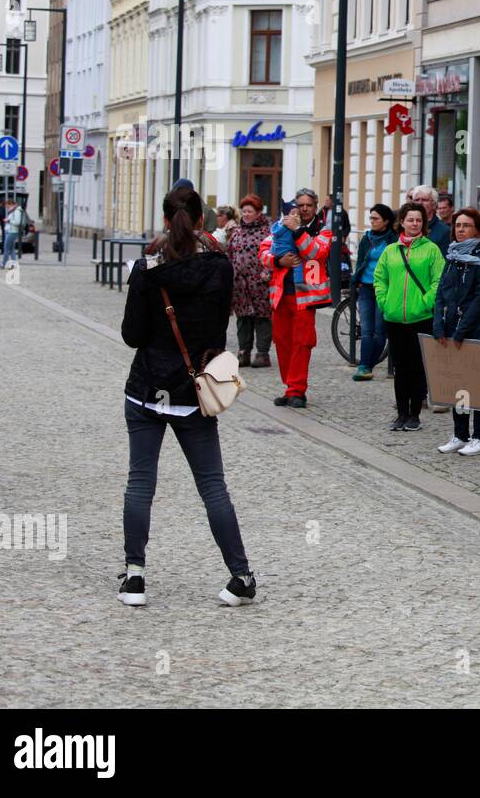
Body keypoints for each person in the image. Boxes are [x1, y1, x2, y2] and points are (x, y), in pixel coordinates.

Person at [118, 185, 255, 608]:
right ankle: (240, 576)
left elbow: (131, 335)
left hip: (146, 389)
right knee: (213, 486)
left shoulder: (146, 268)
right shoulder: (218, 267)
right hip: (194, 389)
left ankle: (135, 577)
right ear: (201, 221)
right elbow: (218, 331)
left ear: (164, 221)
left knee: (140, 482)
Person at [258, 187, 333, 408]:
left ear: (316, 207)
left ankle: (297, 390)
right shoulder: (283, 225)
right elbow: (263, 250)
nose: (305, 208)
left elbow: (315, 252)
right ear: (295, 206)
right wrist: (278, 261)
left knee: (302, 343)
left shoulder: (322, 230)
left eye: (309, 205)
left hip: (306, 297)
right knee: (281, 341)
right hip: (281, 294)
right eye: (301, 205)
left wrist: (298, 230)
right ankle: (289, 385)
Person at [374, 202, 444, 432]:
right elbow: (379, 279)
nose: (414, 224)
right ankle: (401, 413)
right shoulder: (390, 251)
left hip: (420, 317)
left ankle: (414, 414)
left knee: (417, 367)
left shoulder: (431, 249)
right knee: (400, 368)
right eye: (410, 219)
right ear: (401, 222)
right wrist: (385, 303)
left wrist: (425, 303)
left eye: (419, 220)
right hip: (394, 318)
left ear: (423, 224)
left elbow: (438, 281)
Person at [433, 208, 480, 456]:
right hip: (449, 328)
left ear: (477, 229)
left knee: (476, 384)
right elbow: (441, 293)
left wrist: (461, 331)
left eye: (466, 225)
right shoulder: (452, 256)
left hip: (473, 330)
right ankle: (460, 434)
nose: (460, 229)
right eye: (457, 225)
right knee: (457, 383)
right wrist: (439, 325)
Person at [350, 203, 398, 381]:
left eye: (376, 218)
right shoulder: (367, 238)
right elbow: (362, 261)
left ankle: (368, 364)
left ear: (386, 221)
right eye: (371, 218)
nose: (372, 221)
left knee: (380, 331)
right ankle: (364, 366)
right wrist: (356, 280)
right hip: (366, 288)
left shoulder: (393, 240)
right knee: (366, 329)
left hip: (384, 289)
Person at [227, 194, 272, 368]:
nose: (246, 214)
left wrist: (267, 272)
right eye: (244, 211)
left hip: (260, 283)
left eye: (249, 211)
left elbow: (273, 253)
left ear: (258, 212)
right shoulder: (237, 232)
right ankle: (243, 352)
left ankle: (262, 353)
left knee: (262, 317)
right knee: (243, 318)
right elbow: (230, 254)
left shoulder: (267, 231)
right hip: (240, 285)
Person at [407, 184, 451, 254]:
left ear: (434, 204)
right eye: (416, 200)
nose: (420, 203)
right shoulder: (405, 227)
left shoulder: (444, 231)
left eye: (424, 200)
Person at [0, 198, 26, 270]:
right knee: (11, 249)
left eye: (7, 206)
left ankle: (3, 264)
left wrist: (8, 220)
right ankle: (14, 264)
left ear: (11, 204)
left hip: (12, 231)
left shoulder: (16, 211)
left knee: (6, 248)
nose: (7, 207)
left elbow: (17, 222)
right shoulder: (14, 211)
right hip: (10, 231)